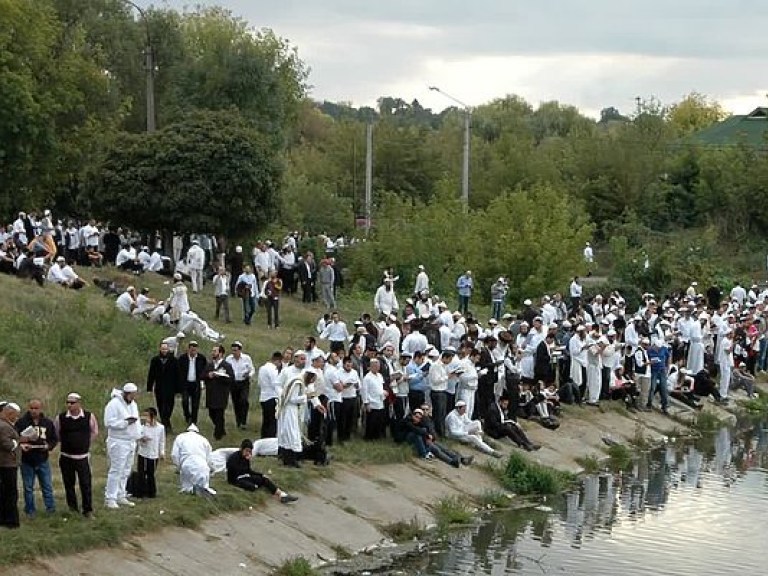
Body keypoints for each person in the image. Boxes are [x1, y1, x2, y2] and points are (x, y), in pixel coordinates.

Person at [54, 393, 98, 517]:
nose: (69, 405)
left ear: (79, 403)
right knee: (68, 484)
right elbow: (57, 433)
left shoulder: (89, 416)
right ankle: (72, 508)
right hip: (66, 456)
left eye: (72, 403)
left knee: (85, 484)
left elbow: (94, 432)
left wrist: (84, 442)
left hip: (82, 457)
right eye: (68, 402)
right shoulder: (61, 418)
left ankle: (87, 509)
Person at [15, 399, 57, 517]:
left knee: (47, 486)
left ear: (41, 409)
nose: (34, 411)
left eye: (36, 408)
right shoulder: (21, 423)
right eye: (31, 408)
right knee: (28, 487)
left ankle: (50, 508)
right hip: (27, 459)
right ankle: (30, 510)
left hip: (42, 458)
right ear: (28, 408)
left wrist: (49, 446)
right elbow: (15, 438)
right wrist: (22, 445)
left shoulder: (47, 423)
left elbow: (54, 438)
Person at [104, 383, 141, 509]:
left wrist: (138, 434)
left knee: (126, 469)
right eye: (132, 395)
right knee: (116, 469)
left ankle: (121, 493)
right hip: (118, 441)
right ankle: (110, 497)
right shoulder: (114, 404)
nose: (134, 397)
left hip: (130, 441)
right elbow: (108, 422)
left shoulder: (133, 405)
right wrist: (125, 423)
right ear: (126, 393)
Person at [225, 439, 298, 503]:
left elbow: (249, 471)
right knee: (252, 487)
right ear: (242, 449)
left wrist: (260, 475)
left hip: (245, 476)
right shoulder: (233, 458)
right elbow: (234, 471)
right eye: (246, 450)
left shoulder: (246, 458)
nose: (248, 453)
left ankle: (282, 495)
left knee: (264, 479)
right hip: (235, 479)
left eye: (249, 451)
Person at [278, 369, 325, 467]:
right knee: (292, 434)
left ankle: (291, 459)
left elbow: (310, 393)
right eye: (312, 379)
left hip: (295, 410)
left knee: (293, 434)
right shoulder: (297, 382)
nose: (312, 382)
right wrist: (306, 397)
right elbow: (292, 399)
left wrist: (315, 403)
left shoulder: (302, 382)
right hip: (290, 411)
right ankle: (290, 459)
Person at [171, 424, 215, 496]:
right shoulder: (204, 439)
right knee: (203, 486)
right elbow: (209, 457)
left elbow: (174, 454)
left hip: (186, 462)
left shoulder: (180, 437)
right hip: (202, 464)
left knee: (187, 487)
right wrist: (212, 468)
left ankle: (191, 491)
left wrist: (178, 466)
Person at [146, 342, 179, 432]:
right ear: (160, 349)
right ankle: (166, 426)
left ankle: (166, 422)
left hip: (170, 388)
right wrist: (149, 387)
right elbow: (151, 374)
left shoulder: (174, 360)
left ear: (168, 350)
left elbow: (178, 375)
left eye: (166, 349)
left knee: (169, 406)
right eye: (163, 349)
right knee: (161, 406)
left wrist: (178, 389)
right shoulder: (155, 360)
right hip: (159, 388)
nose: (164, 351)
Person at [204, 344, 234, 440]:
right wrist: (208, 376)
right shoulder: (209, 365)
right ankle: (221, 429)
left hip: (221, 394)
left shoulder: (226, 366)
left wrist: (221, 377)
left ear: (221, 354)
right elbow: (202, 375)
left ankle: (218, 435)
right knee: (211, 413)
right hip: (210, 394)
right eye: (212, 351)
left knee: (219, 414)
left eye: (215, 351)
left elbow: (231, 379)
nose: (213, 353)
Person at [0, 402, 22, 528]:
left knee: (5, 492)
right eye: (16, 415)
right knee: (10, 493)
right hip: (7, 464)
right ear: (9, 413)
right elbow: (7, 444)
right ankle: (11, 521)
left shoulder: (6, 425)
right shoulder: (4, 427)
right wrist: (17, 442)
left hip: (7, 463)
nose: (17, 418)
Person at [136, 407, 165, 499]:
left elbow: (162, 441)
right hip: (143, 452)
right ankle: (141, 492)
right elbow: (138, 437)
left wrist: (162, 452)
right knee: (141, 473)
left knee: (151, 473)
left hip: (153, 454)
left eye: (147, 416)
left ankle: (151, 492)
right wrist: (142, 440)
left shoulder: (160, 428)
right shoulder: (143, 427)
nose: (145, 419)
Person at [226, 341, 256, 431]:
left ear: (240, 350)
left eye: (235, 351)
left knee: (244, 400)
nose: (234, 353)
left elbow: (252, 369)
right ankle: (239, 421)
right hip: (233, 382)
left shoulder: (246, 358)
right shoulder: (229, 359)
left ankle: (244, 421)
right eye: (233, 351)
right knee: (236, 402)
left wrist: (249, 375)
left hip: (244, 382)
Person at [177, 341, 207, 426]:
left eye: (195, 350)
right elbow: (178, 371)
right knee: (185, 401)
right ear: (188, 349)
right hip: (186, 384)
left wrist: (203, 381)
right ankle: (187, 416)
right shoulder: (182, 358)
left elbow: (205, 370)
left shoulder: (201, 358)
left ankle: (194, 421)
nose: (193, 351)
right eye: (191, 349)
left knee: (195, 404)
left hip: (196, 384)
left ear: (197, 349)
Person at [258, 351, 283, 439]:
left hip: (263, 396)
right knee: (272, 421)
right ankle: (270, 439)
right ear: (278, 361)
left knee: (266, 421)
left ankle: (264, 438)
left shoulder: (262, 368)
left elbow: (259, 383)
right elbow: (276, 384)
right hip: (271, 397)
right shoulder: (273, 369)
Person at [361, 358, 387, 440]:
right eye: (375, 366)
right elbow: (364, 391)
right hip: (372, 402)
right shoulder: (367, 378)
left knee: (379, 421)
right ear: (371, 367)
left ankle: (377, 436)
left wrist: (384, 392)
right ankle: (369, 437)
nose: (377, 368)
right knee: (371, 421)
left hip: (380, 401)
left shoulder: (379, 376)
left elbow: (380, 387)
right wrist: (366, 403)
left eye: (378, 366)